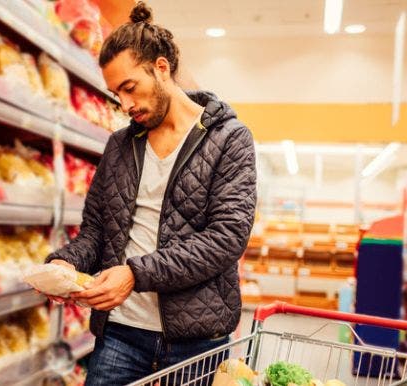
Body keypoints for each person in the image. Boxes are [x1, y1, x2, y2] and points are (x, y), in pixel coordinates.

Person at [45, 2, 257, 385]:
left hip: (197, 338)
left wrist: (134, 274)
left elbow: (226, 238)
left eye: (130, 88)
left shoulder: (229, 139)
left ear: (161, 68)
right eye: (116, 94)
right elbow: (96, 229)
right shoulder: (119, 145)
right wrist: (65, 264)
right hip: (122, 331)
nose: (125, 104)